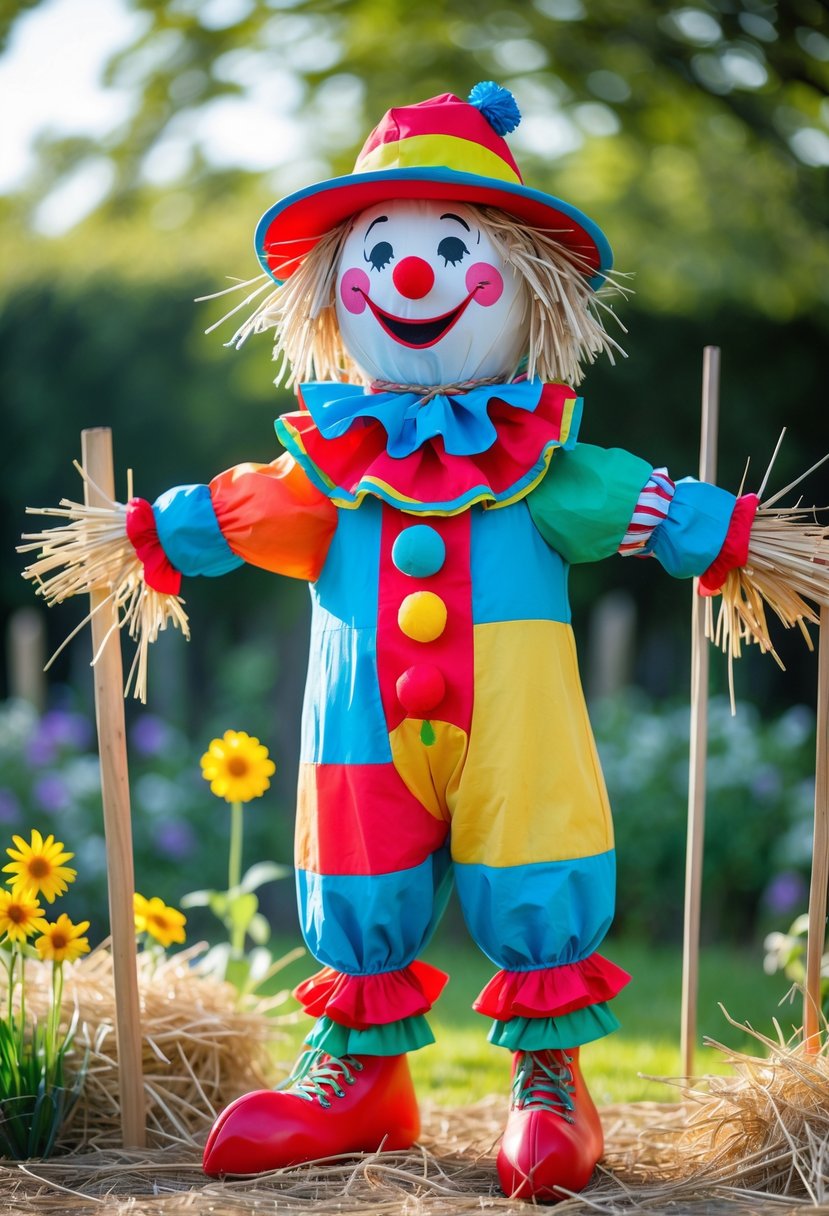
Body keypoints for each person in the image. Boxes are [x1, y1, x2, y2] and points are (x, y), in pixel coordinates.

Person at [123, 83, 756, 1200]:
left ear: (529, 279)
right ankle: (359, 1079)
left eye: (453, 248)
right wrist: (153, 531)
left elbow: (635, 502)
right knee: (354, 854)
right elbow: (248, 508)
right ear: (337, 284)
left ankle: (550, 1079)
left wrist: (725, 535)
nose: (412, 276)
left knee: (534, 852)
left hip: (517, 731)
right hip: (360, 735)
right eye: (380, 250)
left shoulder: (540, 464)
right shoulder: (329, 467)